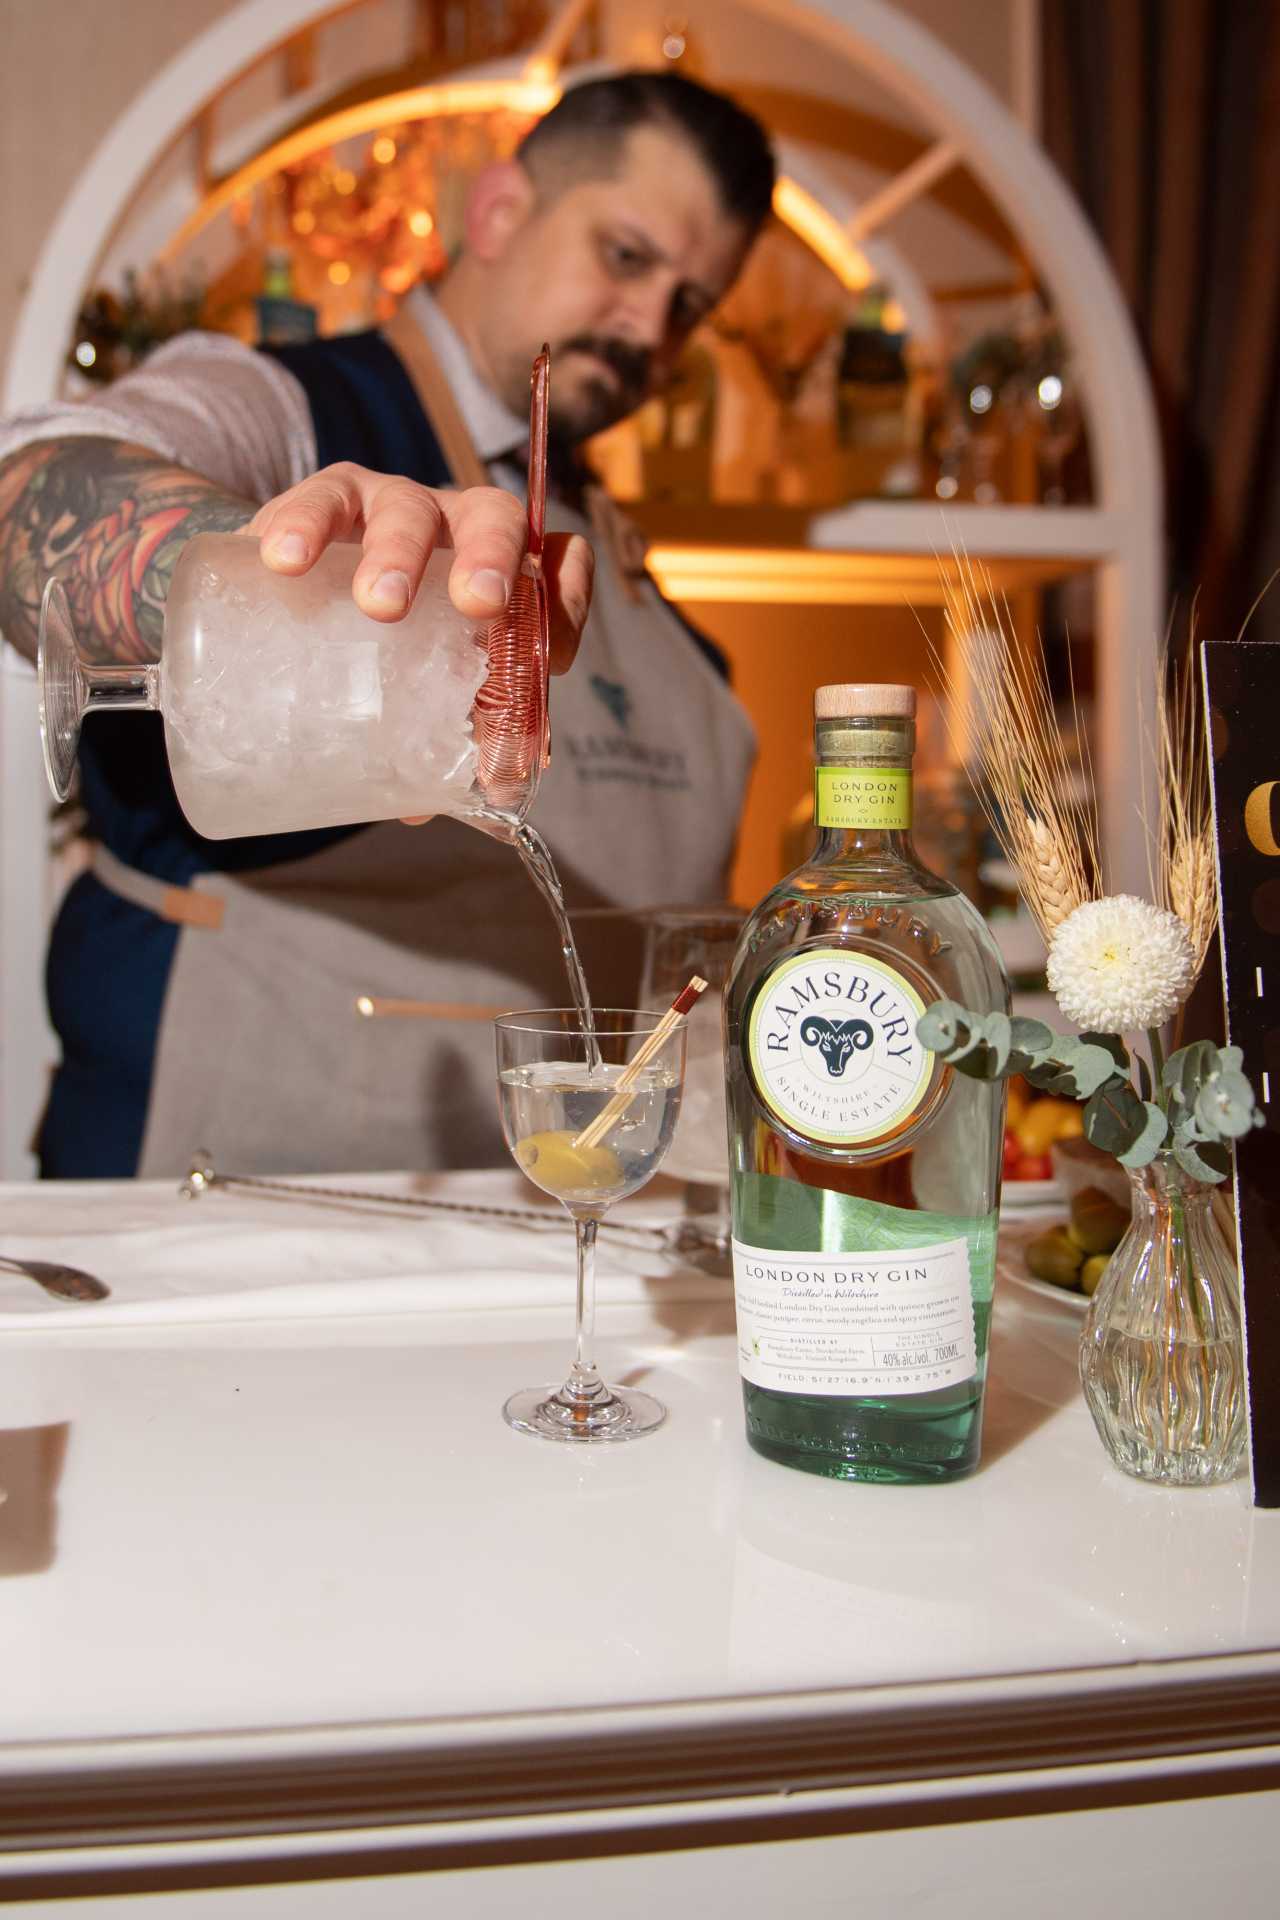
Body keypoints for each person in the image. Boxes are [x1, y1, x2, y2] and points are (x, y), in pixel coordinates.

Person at [0, 71, 775, 1179]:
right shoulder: (287, 405)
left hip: (541, 1208)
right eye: (624, 255)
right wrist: (250, 584)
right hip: (226, 1192)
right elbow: (32, 488)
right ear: (499, 211)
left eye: (689, 305)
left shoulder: (603, 544)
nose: (649, 327)